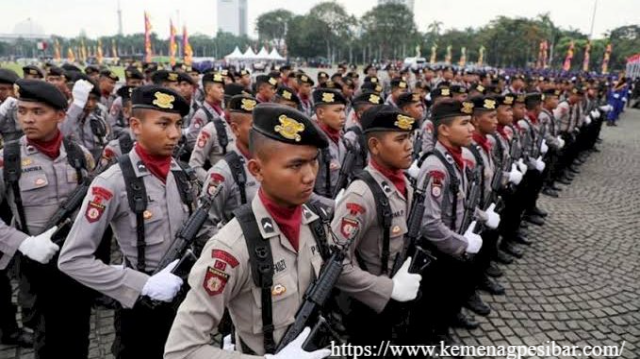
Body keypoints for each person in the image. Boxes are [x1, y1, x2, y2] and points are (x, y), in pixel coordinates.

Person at [164, 103, 336, 359]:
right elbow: (181, 350)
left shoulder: (315, 223)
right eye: (295, 165)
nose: (310, 176)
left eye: (313, 162)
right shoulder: (232, 247)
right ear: (256, 170)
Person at [58, 85, 194, 359]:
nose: (174, 134)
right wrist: (140, 284)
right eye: (163, 124)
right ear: (136, 126)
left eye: (178, 124)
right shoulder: (113, 181)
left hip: (185, 302)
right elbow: (72, 259)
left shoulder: (182, 174)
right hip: (141, 308)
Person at [0, 79, 95, 358]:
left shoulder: (79, 155)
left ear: (61, 116)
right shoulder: (9, 160)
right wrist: (23, 243)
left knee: (79, 336)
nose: (28, 119)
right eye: (22, 111)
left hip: (76, 263)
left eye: (38, 112)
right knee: (48, 343)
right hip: (36, 267)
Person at [330, 105, 422, 347]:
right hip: (368, 305)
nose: (410, 145)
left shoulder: (403, 182)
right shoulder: (361, 196)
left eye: (410, 137)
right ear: (374, 146)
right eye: (401, 139)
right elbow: (335, 264)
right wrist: (388, 288)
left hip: (395, 295)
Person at [413, 99, 483, 344]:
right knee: (435, 296)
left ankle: (447, 320)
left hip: (453, 240)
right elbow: (429, 224)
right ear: (444, 129)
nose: (471, 128)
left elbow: (461, 201)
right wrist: (462, 244)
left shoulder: (456, 157)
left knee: (451, 291)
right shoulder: (436, 167)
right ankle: (433, 334)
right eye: (464, 123)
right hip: (439, 249)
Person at [200, 94, 259, 237]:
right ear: (235, 129)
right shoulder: (223, 173)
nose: (260, 131)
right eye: (253, 126)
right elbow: (205, 226)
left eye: (262, 125)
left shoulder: (269, 161)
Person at [187, 72, 234, 182]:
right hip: (210, 165)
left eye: (223, 88)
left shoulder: (221, 110)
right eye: (219, 87)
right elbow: (191, 140)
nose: (222, 91)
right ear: (208, 90)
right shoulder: (202, 114)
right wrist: (209, 151)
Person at [312, 89, 347, 199]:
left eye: (343, 110)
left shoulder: (343, 140)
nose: (343, 116)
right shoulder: (313, 144)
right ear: (320, 113)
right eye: (337, 111)